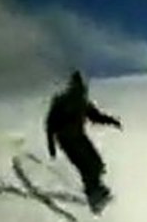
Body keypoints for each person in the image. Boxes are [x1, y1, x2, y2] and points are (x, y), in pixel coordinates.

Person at [46, 70, 122, 205]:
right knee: (86, 165)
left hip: (79, 137)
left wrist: (112, 121)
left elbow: (95, 116)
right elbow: (50, 124)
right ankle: (93, 194)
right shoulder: (62, 102)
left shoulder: (81, 102)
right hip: (67, 140)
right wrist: (51, 146)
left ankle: (97, 190)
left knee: (96, 164)